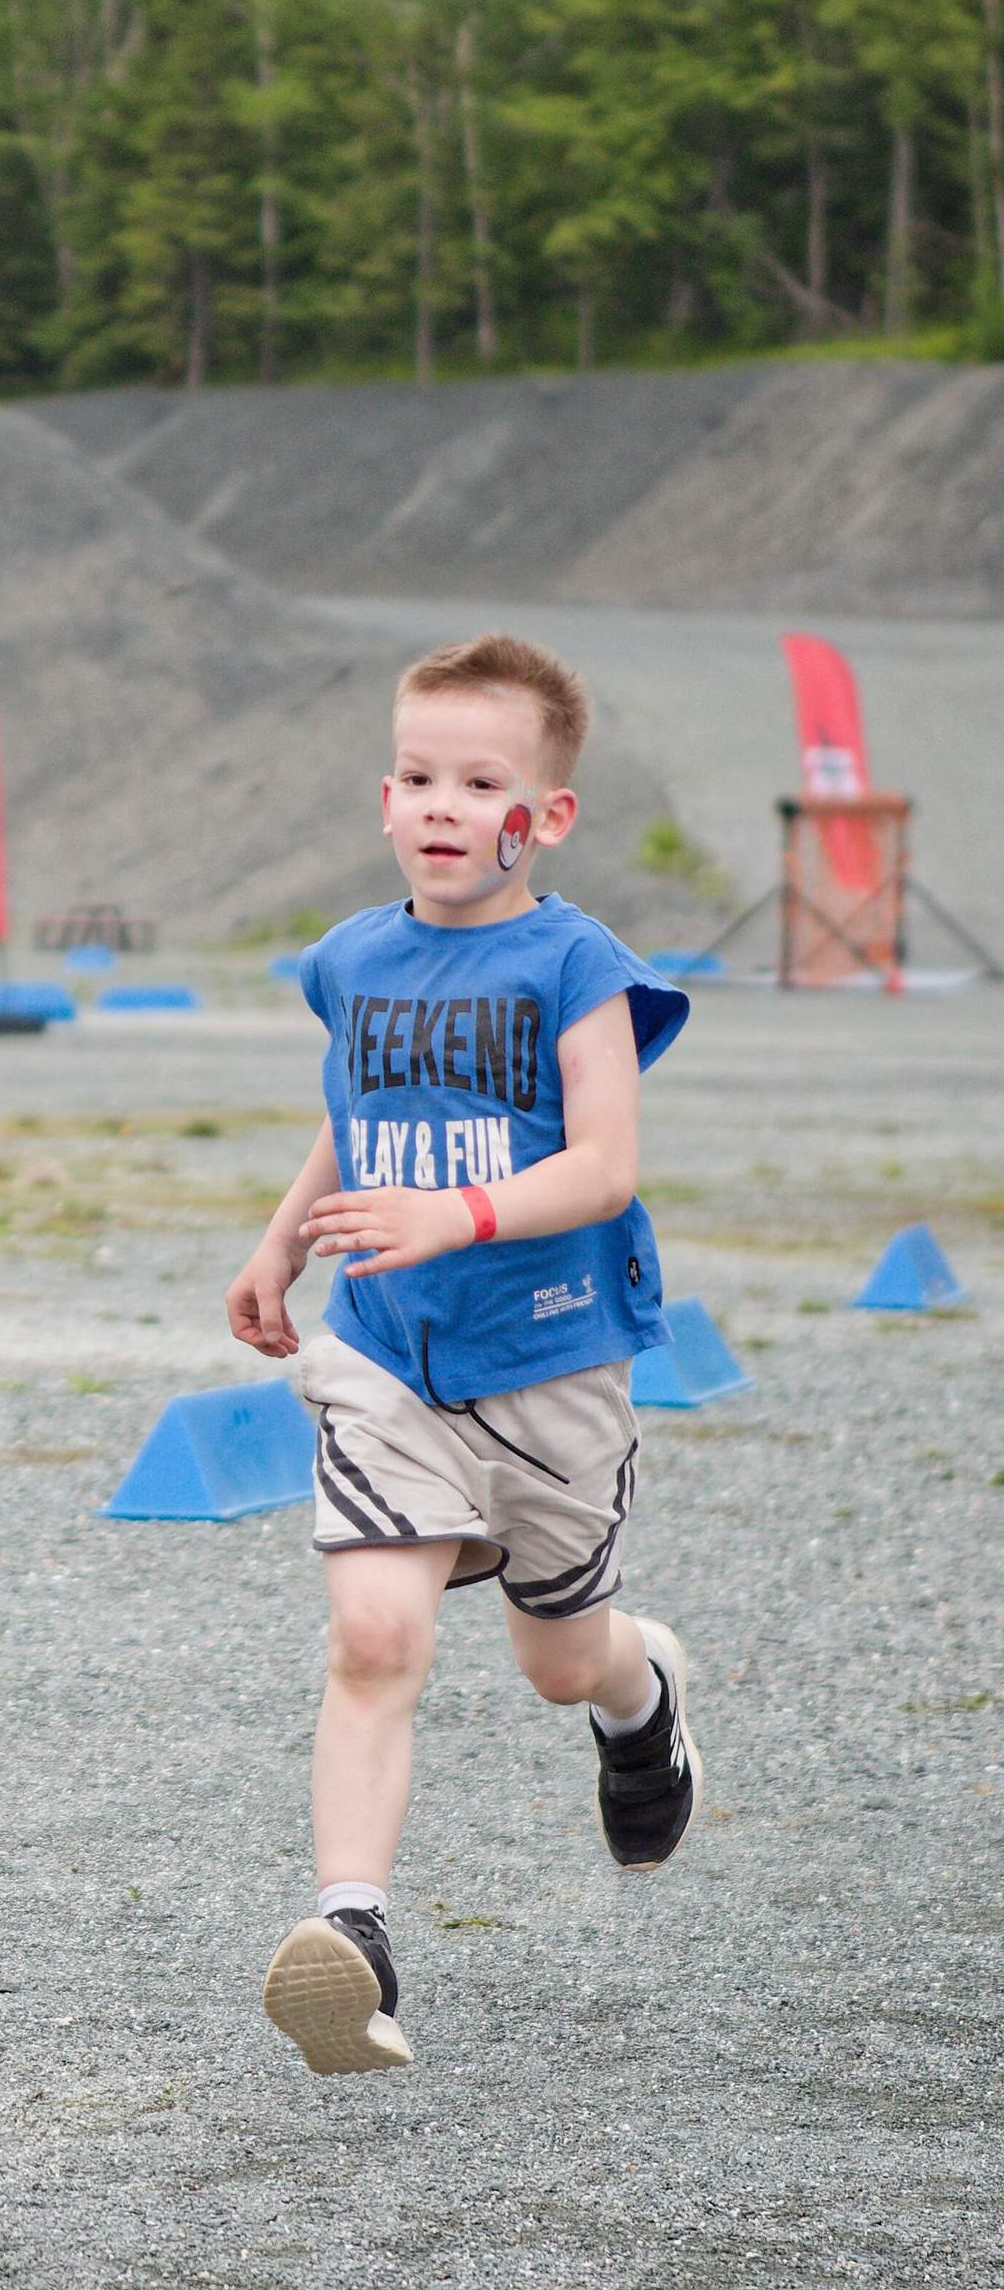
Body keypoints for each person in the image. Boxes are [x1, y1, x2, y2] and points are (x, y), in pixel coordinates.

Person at [223, 633, 703, 2078]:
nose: (442, 803)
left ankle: (641, 1700)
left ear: (543, 815)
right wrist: (283, 1237)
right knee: (375, 1638)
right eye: (419, 776)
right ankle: (351, 1936)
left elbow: (607, 1166)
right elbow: (353, 1109)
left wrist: (464, 1212)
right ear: (384, 797)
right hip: (387, 1358)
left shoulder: (578, 964)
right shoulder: (353, 957)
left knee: (560, 1662)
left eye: (479, 780)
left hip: (552, 1369)